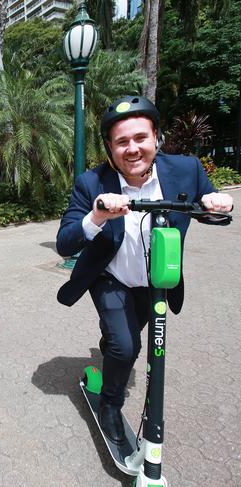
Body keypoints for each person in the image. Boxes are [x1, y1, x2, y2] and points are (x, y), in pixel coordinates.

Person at [56, 96, 233, 444]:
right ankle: (110, 404)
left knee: (122, 338)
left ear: (157, 138)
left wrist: (217, 204)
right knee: (125, 347)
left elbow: (210, 206)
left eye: (140, 138)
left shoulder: (186, 169)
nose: (132, 149)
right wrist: (97, 216)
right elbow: (65, 242)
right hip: (111, 277)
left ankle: (111, 341)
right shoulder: (91, 183)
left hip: (155, 280)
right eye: (122, 142)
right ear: (109, 146)